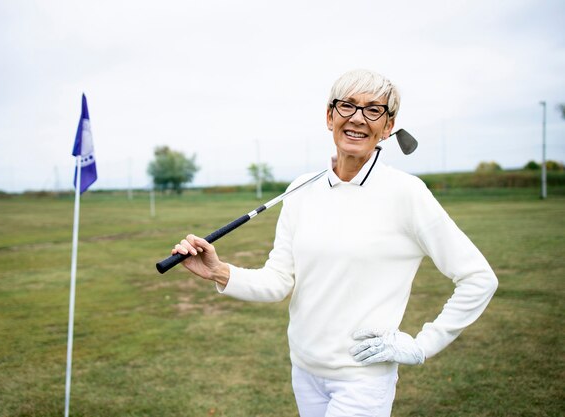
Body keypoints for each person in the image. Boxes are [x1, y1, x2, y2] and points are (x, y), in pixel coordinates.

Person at [170, 69, 498, 417]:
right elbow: (279, 282)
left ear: (388, 127)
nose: (358, 118)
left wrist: (421, 346)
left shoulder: (407, 193)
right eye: (348, 106)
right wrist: (219, 271)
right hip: (305, 372)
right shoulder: (301, 188)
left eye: (374, 110)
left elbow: (478, 279)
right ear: (330, 116)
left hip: (362, 380)